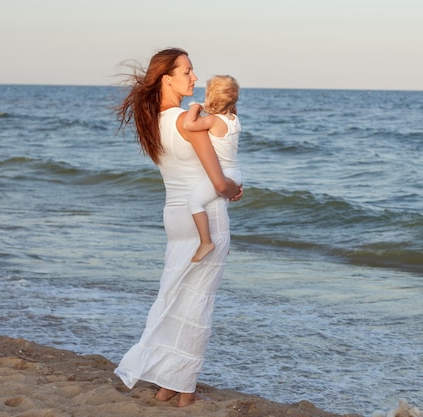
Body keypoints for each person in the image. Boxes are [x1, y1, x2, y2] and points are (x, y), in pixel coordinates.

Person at [113, 48, 242, 408]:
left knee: (176, 298)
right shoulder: (187, 122)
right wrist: (236, 189)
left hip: (175, 215)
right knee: (197, 304)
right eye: (186, 71)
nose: (194, 78)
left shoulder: (153, 121)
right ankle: (185, 390)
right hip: (207, 218)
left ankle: (165, 384)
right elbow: (218, 183)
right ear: (167, 79)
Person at [183, 75, 242, 263]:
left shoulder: (213, 120)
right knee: (218, 208)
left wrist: (195, 106)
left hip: (221, 174)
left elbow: (189, 124)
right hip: (235, 174)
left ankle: (206, 242)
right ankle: (225, 246)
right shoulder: (234, 120)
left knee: (195, 203)